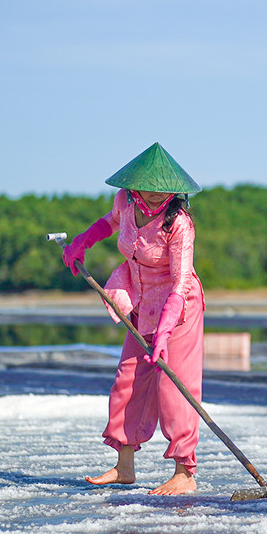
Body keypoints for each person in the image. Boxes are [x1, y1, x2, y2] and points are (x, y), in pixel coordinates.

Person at [61, 143, 206, 494]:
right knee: (127, 381)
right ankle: (124, 466)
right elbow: (110, 223)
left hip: (179, 311)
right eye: (149, 187)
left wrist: (165, 331)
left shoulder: (180, 224)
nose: (156, 194)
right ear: (134, 185)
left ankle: (184, 473)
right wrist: (83, 241)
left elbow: (181, 282)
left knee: (174, 386)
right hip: (141, 303)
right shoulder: (125, 203)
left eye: (164, 189)